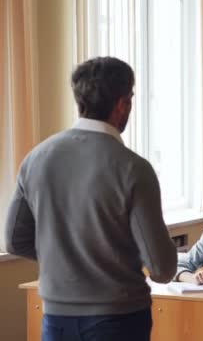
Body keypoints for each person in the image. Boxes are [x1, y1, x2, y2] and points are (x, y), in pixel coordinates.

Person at [4, 57, 177, 340]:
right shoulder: (133, 168)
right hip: (118, 317)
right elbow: (161, 268)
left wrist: (64, 258)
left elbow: (14, 240)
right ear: (122, 103)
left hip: (56, 316)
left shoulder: (36, 158)